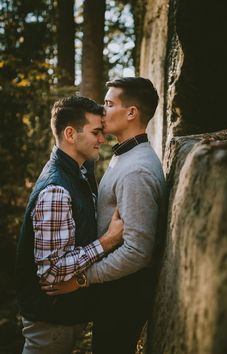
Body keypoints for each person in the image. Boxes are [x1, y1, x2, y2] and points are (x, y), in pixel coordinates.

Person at [43, 77, 167, 354]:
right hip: (114, 289)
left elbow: (138, 251)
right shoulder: (126, 155)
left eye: (110, 104)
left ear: (131, 113)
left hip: (124, 295)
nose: (102, 110)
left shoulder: (137, 170)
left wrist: (81, 279)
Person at [16, 96, 124, 354]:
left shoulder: (80, 170)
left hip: (63, 317)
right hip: (49, 323)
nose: (103, 139)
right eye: (96, 132)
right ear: (70, 134)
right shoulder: (57, 190)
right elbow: (51, 272)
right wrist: (107, 241)